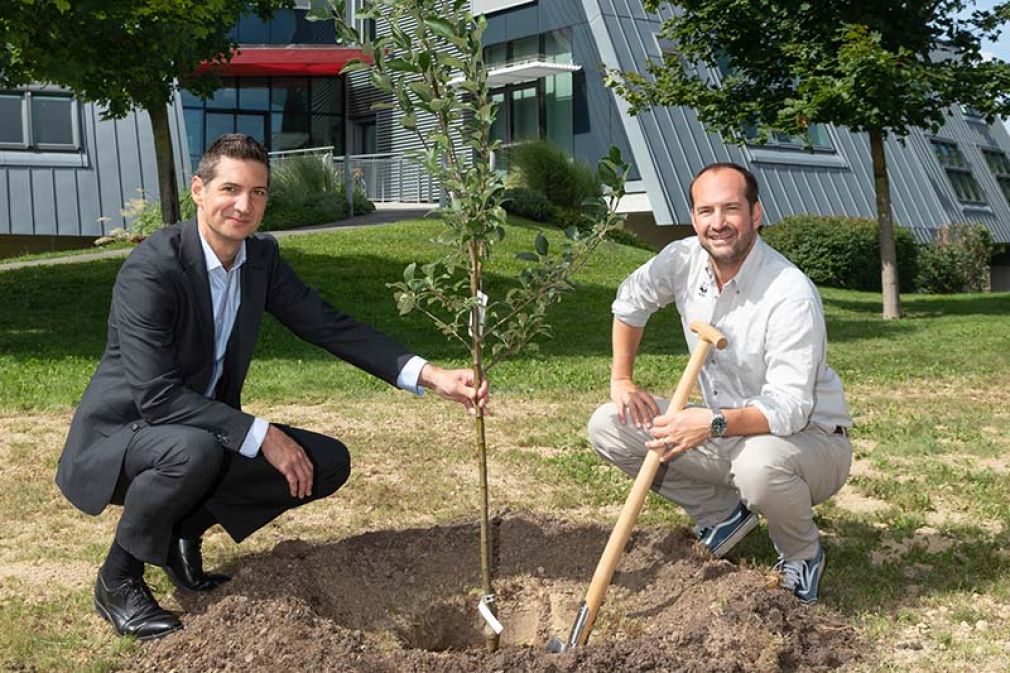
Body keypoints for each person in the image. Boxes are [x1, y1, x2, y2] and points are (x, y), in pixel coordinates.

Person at [56, 134, 488, 640]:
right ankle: (118, 578)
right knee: (194, 451)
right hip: (125, 434)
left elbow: (327, 324)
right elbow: (158, 396)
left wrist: (430, 375)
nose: (244, 205)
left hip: (198, 432)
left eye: (258, 193)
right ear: (198, 190)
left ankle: (181, 533)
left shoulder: (259, 259)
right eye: (230, 189)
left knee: (325, 462)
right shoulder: (153, 268)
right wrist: (263, 434)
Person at [588, 162, 851, 604]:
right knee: (608, 425)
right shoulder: (682, 259)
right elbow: (629, 302)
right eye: (706, 211)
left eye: (731, 208)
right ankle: (723, 516)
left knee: (759, 466)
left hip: (809, 442)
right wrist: (622, 379)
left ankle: (802, 555)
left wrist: (708, 424)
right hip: (724, 429)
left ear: (756, 213)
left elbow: (788, 409)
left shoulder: (789, 293)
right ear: (693, 218)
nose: (718, 223)